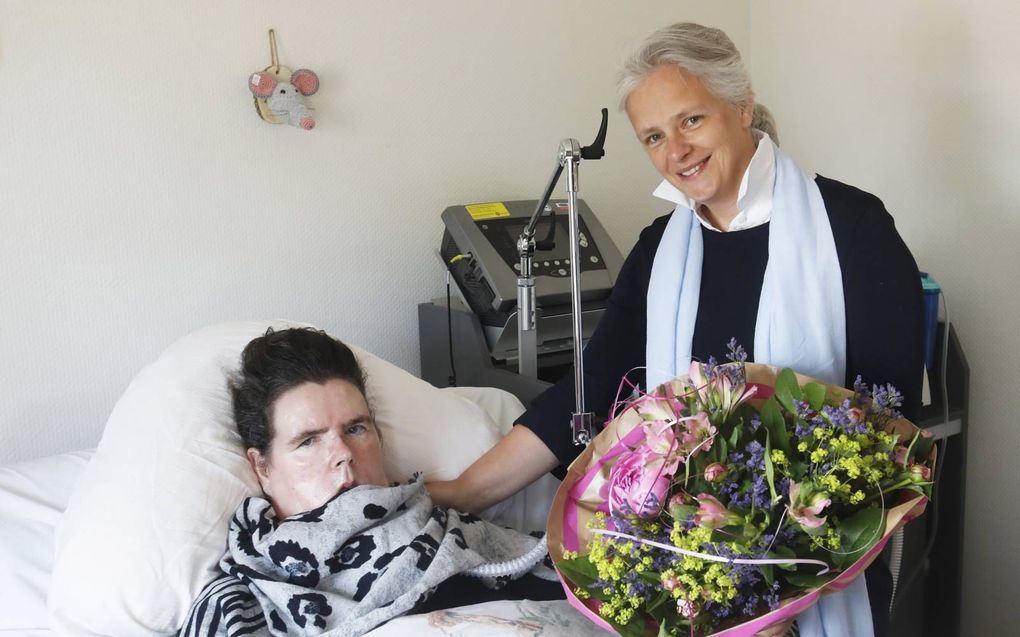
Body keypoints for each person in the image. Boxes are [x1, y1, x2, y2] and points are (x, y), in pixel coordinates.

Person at [429, 22, 924, 637]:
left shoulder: (852, 228)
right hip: (687, 570)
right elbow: (587, 389)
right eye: (654, 137)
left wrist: (783, 592)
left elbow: (890, 433)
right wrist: (459, 493)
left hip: (820, 565)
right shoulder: (661, 251)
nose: (677, 152)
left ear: (741, 108)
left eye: (691, 121)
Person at [180, 328, 561, 637]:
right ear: (262, 467)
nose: (343, 453)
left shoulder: (467, 537)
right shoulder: (244, 603)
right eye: (309, 441)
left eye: (356, 428)